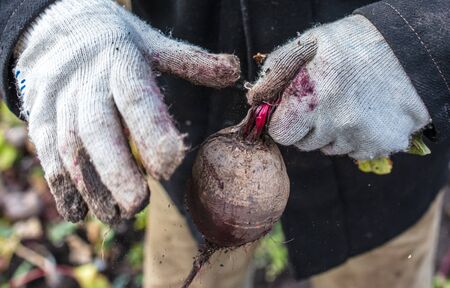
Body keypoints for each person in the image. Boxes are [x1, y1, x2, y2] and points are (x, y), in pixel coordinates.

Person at [1, 0, 449, 287]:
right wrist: (34, 13)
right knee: (185, 260)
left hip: (385, 107)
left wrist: (420, 44)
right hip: (187, 127)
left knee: (384, 267)